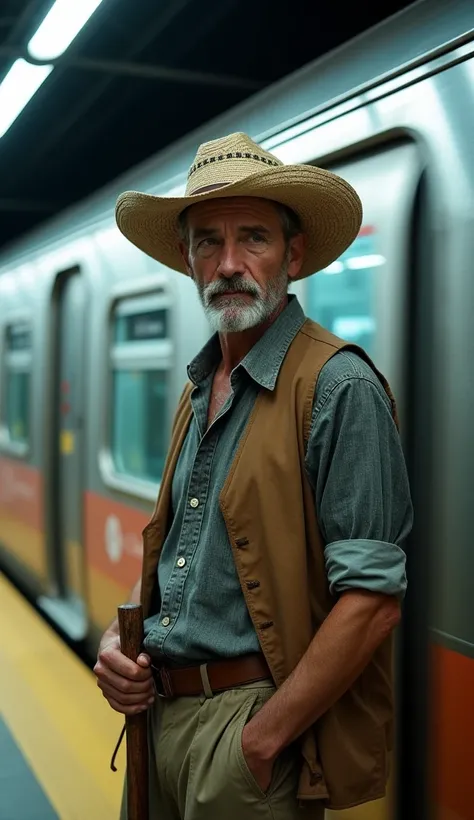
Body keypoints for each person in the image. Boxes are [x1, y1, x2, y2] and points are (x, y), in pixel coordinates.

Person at [94, 132, 413, 820]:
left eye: (255, 239)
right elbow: (183, 548)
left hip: (244, 733)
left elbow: (373, 602)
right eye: (208, 241)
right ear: (186, 258)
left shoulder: (338, 385)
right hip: (160, 722)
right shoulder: (198, 385)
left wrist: (260, 744)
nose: (229, 263)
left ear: (293, 255)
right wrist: (119, 643)